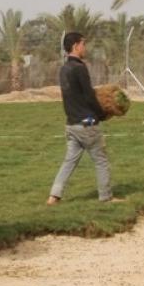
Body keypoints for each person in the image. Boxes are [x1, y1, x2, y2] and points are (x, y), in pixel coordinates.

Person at [46, 32, 116, 205]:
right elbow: (89, 97)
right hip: (87, 123)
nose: (85, 48)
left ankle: (53, 196)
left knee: (69, 162)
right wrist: (102, 114)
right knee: (101, 160)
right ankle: (106, 197)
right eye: (83, 44)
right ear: (76, 46)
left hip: (71, 125)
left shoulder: (64, 69)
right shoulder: (79, 68)